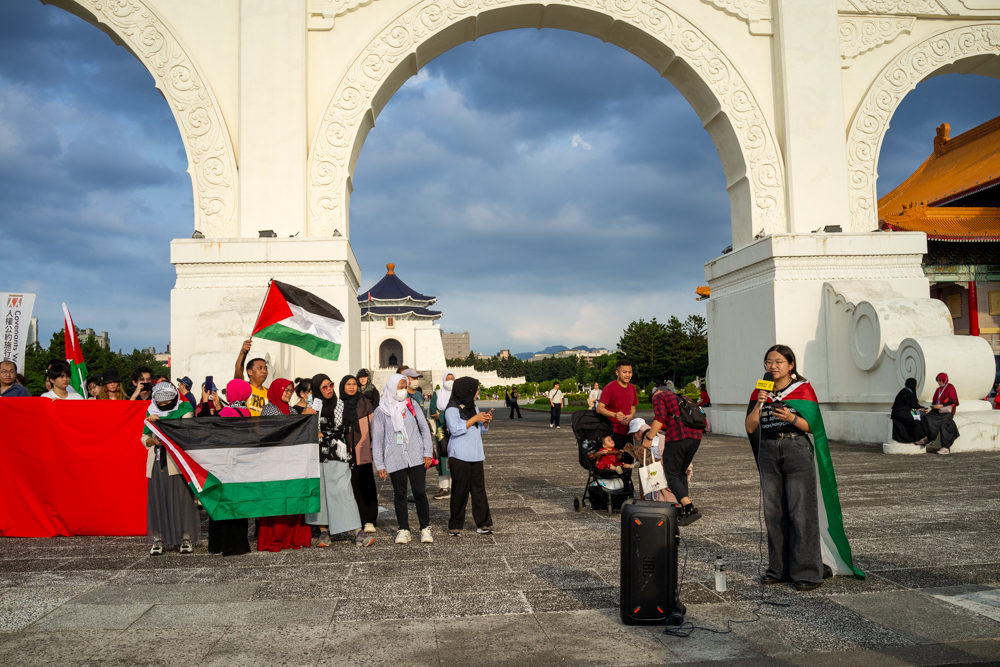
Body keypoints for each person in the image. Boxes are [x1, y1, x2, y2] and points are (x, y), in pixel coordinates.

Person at [745, 344, 862, 591]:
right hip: (768, 451)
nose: (773, 366)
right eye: (769, 361)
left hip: (795, 448)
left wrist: (792, 419)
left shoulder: (803, 389)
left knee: (801, 512)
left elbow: (813, 426)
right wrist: (760, 403)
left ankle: (808, 571)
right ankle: (778, 569)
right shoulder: (760, 390)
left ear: (791, 365)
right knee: (773, 513)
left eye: (778, 361)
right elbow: (750, 427)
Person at [304, 373, 370, 547]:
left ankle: (357, 531)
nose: (328, 390)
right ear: (318, 390)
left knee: (343, 490)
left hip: (337, 454)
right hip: (316, 456)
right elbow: (304, 429)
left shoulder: (340, 404)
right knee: (321, 493)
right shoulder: (312, 406)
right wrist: (307, 417)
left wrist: (324, 433)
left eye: (331, 385)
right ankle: (324, 532)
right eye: (324, 387)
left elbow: (348, 427)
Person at [372, 373, 434, 545]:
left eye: (403, 386)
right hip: (394, 457)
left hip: (415, 455)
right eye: (399, 387)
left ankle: (425, 528)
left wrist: (427, 452)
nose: (402, 390)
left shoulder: (412, 404)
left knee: (420, 493)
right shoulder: (381, 411)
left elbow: (424, 428)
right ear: (392, 387)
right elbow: (377, 439)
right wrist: (380, 464)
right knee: (399, 494)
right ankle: (403, 529)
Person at [253, 377, 314, 552]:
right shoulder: (269, 409)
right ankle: (276, 537)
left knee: (292, 499)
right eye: (284, 390)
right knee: (277, 501)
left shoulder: (291, 411)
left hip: (291, 462)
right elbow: (279, 431)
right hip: (274, 462)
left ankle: (291, 536)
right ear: (276, 391)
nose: (288, 394)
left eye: (289, 391)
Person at [141, 382, 199, 555]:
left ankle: (186, 538)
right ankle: (158, 539)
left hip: (177, 463)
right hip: (157, 462)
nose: (164, 404)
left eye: (168, 401)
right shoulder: (151, 411)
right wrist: (152, 440)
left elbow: (182, 430)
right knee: (158, 501)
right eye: (161, 402)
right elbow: (144, 437)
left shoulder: (185, 408)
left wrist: (159, 425)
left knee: (182, 500)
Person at [646, 380, 704, 526]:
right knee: (680, 473)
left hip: (678, 437)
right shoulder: (683, 397)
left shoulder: (659, 396)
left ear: (657, 391)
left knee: (671, 474)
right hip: (695, 437)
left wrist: (648, 438)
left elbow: (659, 419)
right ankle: (683, 507)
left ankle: (689, 508)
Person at [206, 380, 254, 557]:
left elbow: (214, 433)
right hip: (241, 464)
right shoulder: (246, 411)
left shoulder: (226, 411)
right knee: (238, 503)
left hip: (224, 463)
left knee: (223, 502)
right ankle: (240, 544)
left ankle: (222, 543)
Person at [445, 377, 494, 536]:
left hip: (476, 453)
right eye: (475, 389)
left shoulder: (474, 406)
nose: (477, 392)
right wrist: (475, 418)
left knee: (479, 489)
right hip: (459, 455)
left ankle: (483, 523)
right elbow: (455, 429)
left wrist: (485, 422)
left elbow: (479, 430)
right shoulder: (452, 408)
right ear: (467, 390)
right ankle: (455, 524)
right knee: (460, 490)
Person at [340, 375, 379, 538]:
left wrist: (373, 448)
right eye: (348, 384)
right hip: (344, 451)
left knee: (365, 483)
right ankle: (351, 519)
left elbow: (373, 428)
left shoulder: (365, 403)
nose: (351, 387)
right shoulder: (338, 405)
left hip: (362, 450)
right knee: (348, 485)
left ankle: (368, 519)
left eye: (354, 384)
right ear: (342, 386)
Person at [597, 360, 638, 450]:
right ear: (617, 372)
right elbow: (599, 408)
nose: (627, 375)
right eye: (624, 372)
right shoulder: (609, 388)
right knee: (616, 460)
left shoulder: (632, 388)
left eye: (630, 372)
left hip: (628, 430)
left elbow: (633, 407)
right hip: (613, 431)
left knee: (629, 460)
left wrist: (630, 416)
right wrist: (614, 415)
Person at [429, 372, 455, 500]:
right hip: (441, 432)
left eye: (452, 379)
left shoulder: (458, 393)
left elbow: (461, 411)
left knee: (456, 457)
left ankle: (456, 487)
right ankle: (444, 487)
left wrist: (443, 414)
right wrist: (449, 414)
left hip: (456, 431)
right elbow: (433, 412)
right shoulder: (438, 394)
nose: (450, 381)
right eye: (447, 379)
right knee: (443, 457)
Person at [925, 372, 960, 455]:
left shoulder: (950, 387)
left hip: (947, 411)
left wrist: (942, 405)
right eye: (938, 380)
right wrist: (934, 406)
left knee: (944, 423)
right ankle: (930, 439)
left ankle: (945, 447)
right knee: (928, 418)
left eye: (940, 380)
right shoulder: (938, 390)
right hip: (937, 410)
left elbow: (953, 400)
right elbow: (934, 400)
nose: (939, 382)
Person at [890, 378, 930, 446]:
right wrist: (922, 408)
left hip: (904, 411)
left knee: (922, 417)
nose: (916, 386)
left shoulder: (908, 391)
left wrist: (921, 409)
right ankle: (919, 438)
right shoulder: (907, 392)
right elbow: (913, 404)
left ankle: (925, 437)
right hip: (899, 412)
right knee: (914, 419)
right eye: (916, 384)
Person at [234, 339, 269, 416]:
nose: (264, 371)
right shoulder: (243, 388)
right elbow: (238, 372)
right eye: (260, 368)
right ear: (249, 372)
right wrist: (243, 352)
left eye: (266, 368)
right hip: (246, 427)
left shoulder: (269, 393)